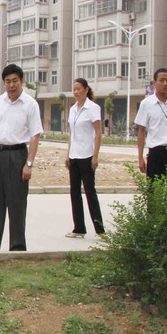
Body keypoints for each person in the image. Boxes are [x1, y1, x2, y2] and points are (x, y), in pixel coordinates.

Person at [0, 64, 43, 252]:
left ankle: (17, 246)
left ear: (21, 81)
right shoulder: (1, 100)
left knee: (17, 202)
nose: (11, 85)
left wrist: (29, 164)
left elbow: (35, 135)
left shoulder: (30, 104)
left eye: (15, 81)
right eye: (7, 81)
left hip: (18, 155)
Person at [134, 68, 167, 188]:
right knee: (154, 191)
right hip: (156, 153)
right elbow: (141, 131)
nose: (165, 84)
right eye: (161, 80)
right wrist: (140, 157)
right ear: (154, 82)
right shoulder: (146, 103)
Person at [64, 78, 104, 238]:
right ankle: (79, 228)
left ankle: (100, 230)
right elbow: (71, 134)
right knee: (74, 193)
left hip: (87, 156)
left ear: (86, 90)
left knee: (90, 192)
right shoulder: (73, 109)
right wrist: (68, 154)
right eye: (74, 89)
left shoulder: (93, 108)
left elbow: (98, 133)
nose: (76, 92)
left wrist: (95, 156)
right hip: (74, 155)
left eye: (79, 89)